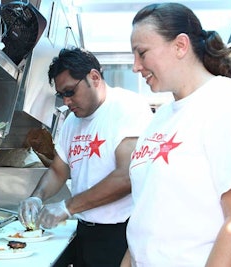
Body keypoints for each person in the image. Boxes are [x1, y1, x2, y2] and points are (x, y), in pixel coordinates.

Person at [121, 3, 231, 267]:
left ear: (180, 45)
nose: (135, 66)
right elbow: (144, 217)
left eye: (142, 53)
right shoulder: (159, 119)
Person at [18, 47, 153, 266]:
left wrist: (67, 207)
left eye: (70, 92)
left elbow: (126, 176)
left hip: (119, 234)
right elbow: (57, 170)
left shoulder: (127, 108)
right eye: (61, 95)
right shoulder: (72, 122)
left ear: (94, 77)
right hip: (84, 229)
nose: (66, 102)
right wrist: (37, 197)